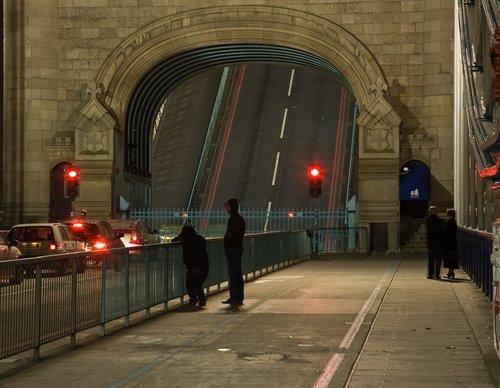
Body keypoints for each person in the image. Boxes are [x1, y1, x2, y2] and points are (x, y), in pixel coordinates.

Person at [172, 225, 209, 307]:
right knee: (198, 284)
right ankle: (202, 300)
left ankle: (193, 299)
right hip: (205, 267)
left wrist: (180, 237)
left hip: (193, 267)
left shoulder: (185, 239)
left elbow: (173, 241)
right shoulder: (201, 239)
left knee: (189, 284)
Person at [222, 198, 246, 306]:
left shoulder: (233, 219)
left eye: (227, 206)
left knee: (233, 274)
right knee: (237, 274)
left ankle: (235, 298)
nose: (226, 208)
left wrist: (226, 243)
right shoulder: (240, 219)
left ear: (231, 207)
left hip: (233, 249)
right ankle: (238, 297)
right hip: (237, 248)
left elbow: (230, 235)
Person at [426, 206, 444, 279]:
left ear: (430, 212)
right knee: (438, 259)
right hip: (439, 242)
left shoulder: (428, 220)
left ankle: (430, 274)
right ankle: (437, 274)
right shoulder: (440, 221)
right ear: (436, 212)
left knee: (431, 259)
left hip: (431, 242)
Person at [443, 208, 459, 279]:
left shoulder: (450, 222)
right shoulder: (453, 221)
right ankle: (450, 272)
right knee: (452, 258)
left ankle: (451, 272)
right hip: (453, 242)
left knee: (449, 258)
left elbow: (445, 230)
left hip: (449, 243)